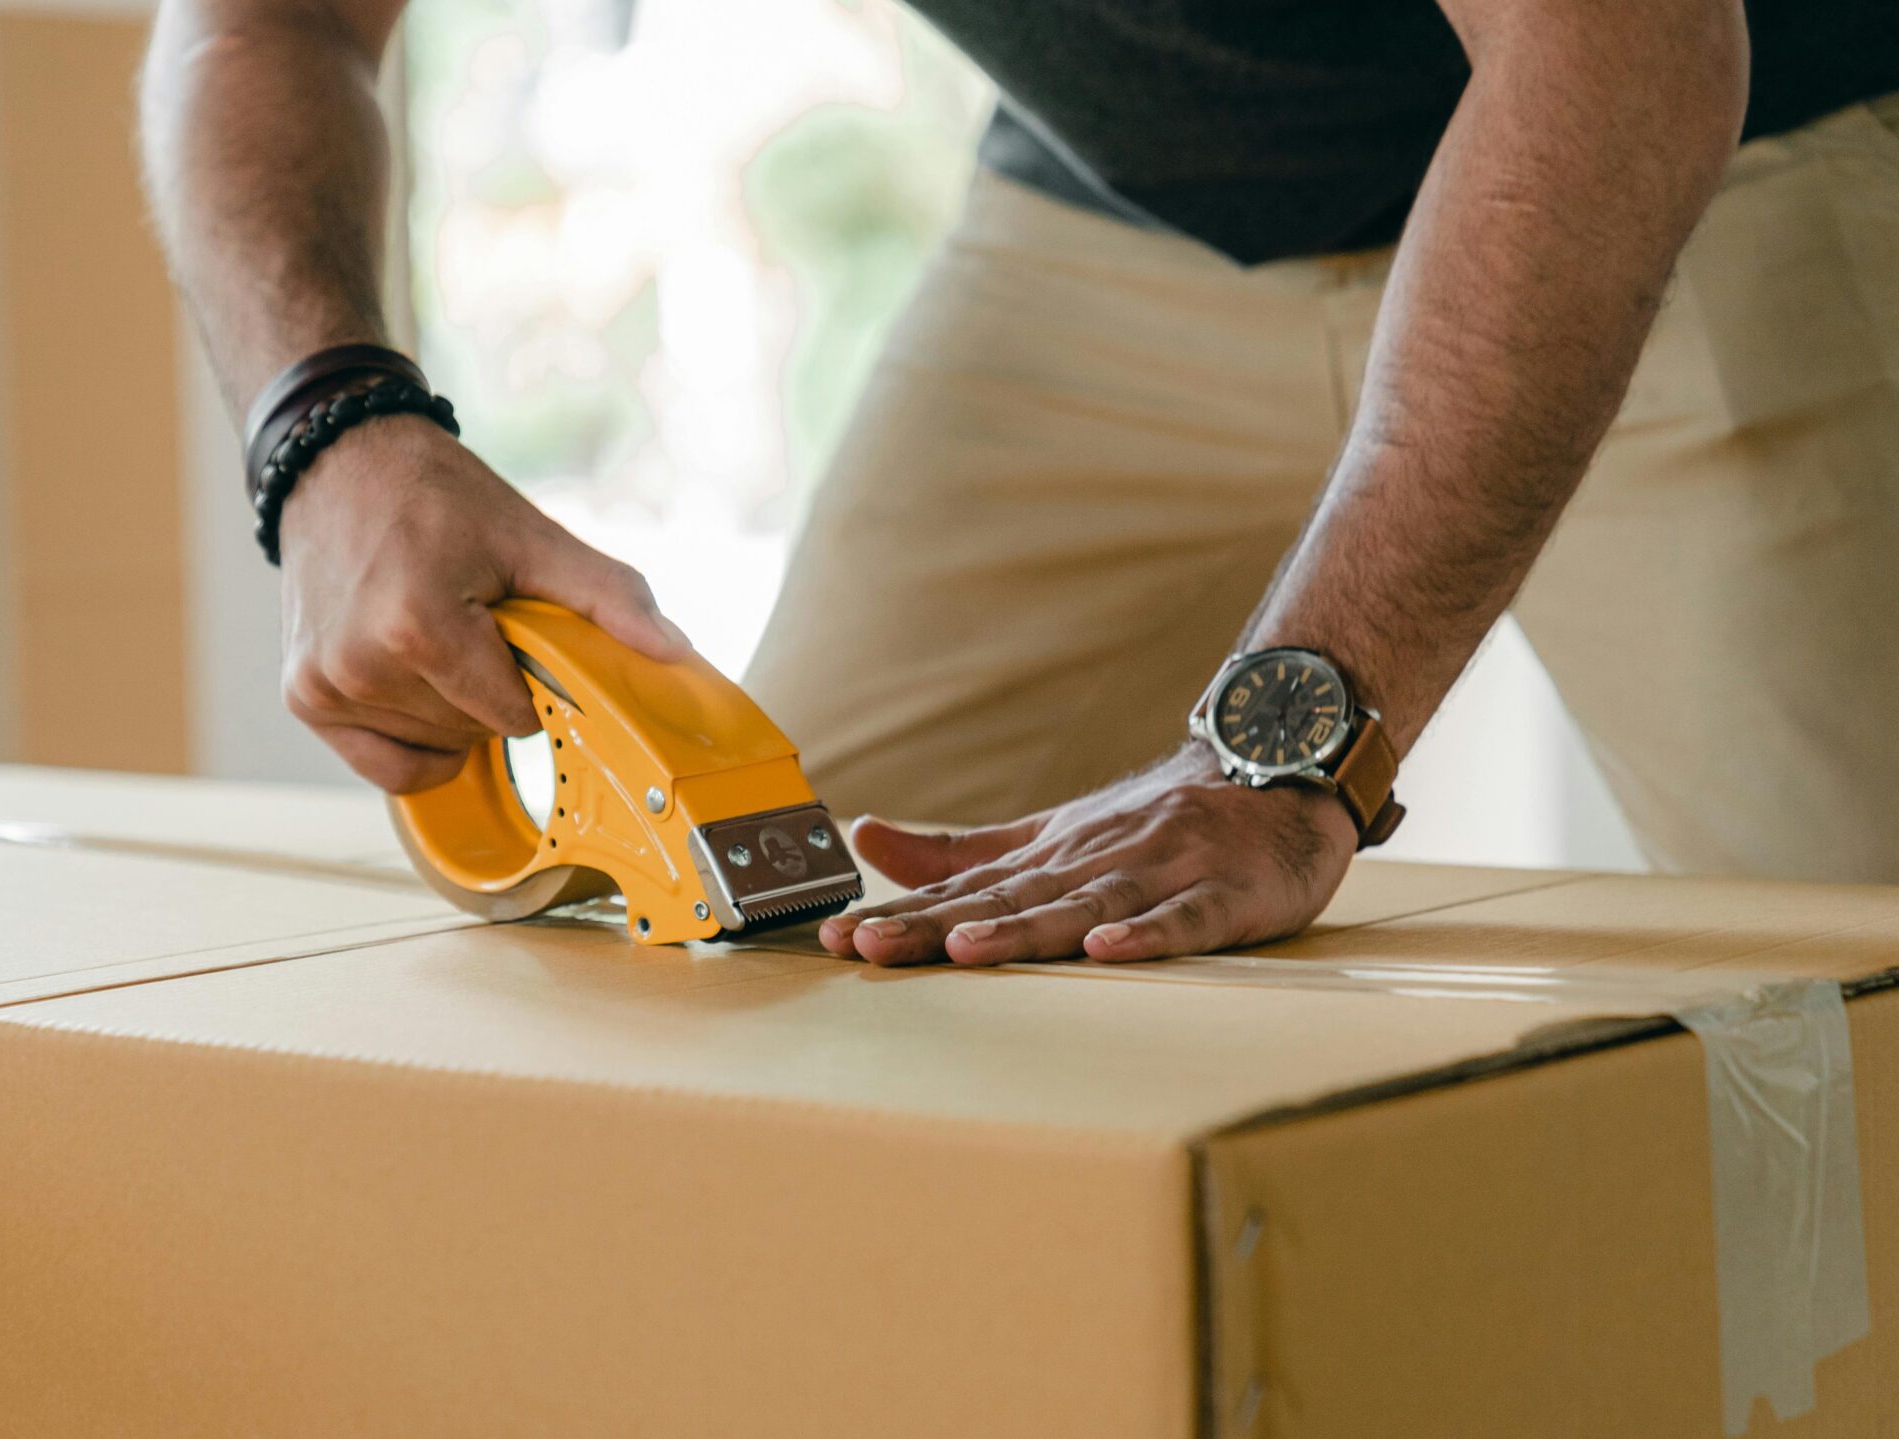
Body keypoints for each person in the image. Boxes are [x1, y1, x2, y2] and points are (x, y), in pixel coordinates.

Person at [139, 0, 1899, 967]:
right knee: (788, 932)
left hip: (1700, 177)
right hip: (1113, 220)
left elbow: (1627, 49)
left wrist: (1286, 760)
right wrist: (330, 428)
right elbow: (255, 21)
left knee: (1861, 971)